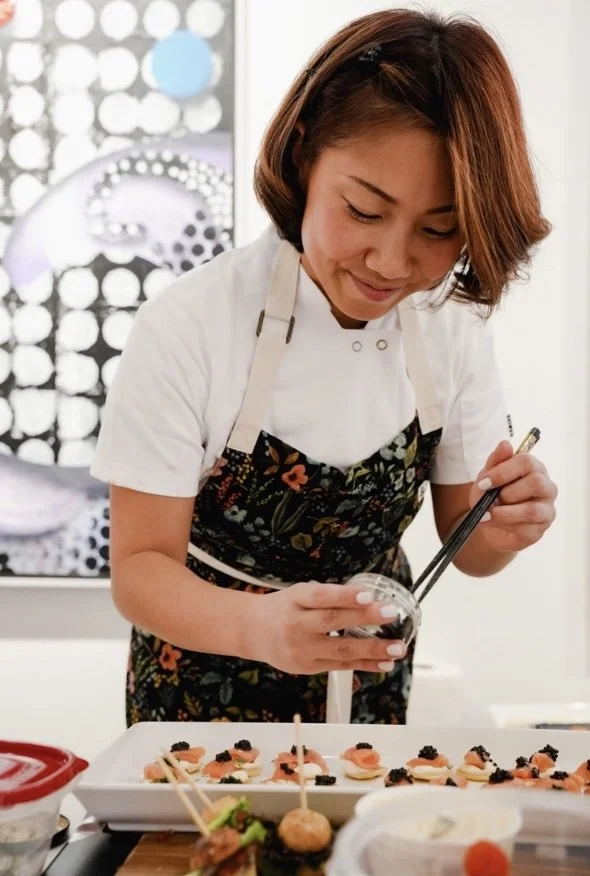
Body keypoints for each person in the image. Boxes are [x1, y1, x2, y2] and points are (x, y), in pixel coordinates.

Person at [91, 8, 558, 726]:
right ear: (305, 153)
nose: (393, 262)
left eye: (439, 230)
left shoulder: (452, 327)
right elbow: (139, 571)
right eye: (365, 211)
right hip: (198, 694)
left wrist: (501, 528)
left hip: (369, 694)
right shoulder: (191, 324)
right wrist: (260, 628)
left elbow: (468, 541)